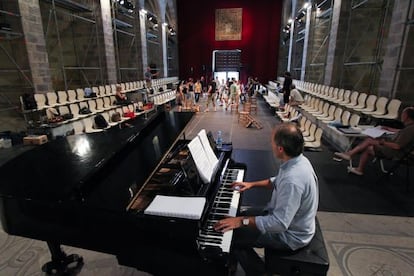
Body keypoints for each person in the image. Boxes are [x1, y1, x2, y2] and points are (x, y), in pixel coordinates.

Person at [214, 123, 319, 275]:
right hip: (282, 218)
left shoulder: (293, 180)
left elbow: (279, 224)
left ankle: (258, 272)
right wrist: (251, 184)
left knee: (232, 236)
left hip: (291, 236)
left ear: (280, 149)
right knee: (237, 214)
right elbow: (277, 181)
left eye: (272, 142)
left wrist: (241, 221)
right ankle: (233, 262)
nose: (271, 144)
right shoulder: (298, 160)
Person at [334, 106, 414, 175]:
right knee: (370, 143)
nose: (401, 116)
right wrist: (389, 129)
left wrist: (383, 142)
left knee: (369, 141)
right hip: (394, 149)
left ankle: (350, 155)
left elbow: (397, 146)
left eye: (403, 114)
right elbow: (400, 132)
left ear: (407, 117)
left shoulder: (410, 130)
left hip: (394, 152)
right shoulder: (409, 127)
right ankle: (357, 165)